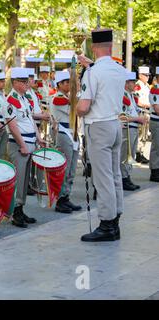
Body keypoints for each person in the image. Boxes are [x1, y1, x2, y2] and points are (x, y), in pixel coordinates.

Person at [77, 29, 126, 242]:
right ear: (110, 46)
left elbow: (84, 106)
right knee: (114, 175)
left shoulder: (92, 72)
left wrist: (77, 107)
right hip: (115, 124)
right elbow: (103, 75)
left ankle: (106, 224)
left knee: (102, 177)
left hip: (98, 126)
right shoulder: (119, 69)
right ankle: (115, 221)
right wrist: (90, 66)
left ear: (94, 48)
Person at [7, 68, 46, 228]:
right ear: (15, 82)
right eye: (23, 82)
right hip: (19, 144)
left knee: (25, 180)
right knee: (18, 179)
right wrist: (23, 145)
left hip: (29, 142)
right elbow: (12, 124)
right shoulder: (11, 100)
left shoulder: (24, 99)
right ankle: (15, 212)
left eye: (27, 81)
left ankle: (21, 209)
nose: (27, 84)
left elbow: (30, 120)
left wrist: (39, 138)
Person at [50, 71, 82, 213]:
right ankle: (59, 200)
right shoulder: (58, 98)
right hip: (64, 134)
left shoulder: (68, 97)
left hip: (73, 134)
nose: (69, 85)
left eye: (70, 82)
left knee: (72, 170)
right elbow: (76, 109)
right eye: (67, 82)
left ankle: (65, 197)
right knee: (64, 169)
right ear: (59, 84)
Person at [134, 65, 151, 164]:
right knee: (140, 134)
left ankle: (141, 152)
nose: (147, 77)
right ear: (140, 75)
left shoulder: (146, 86)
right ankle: (138, 153)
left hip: (147, 112)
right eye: (145, 75)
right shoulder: (138, 85)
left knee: (145, 135)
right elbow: (137, 101)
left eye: (148, 75)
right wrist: (147, 105)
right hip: (141, 111)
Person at [149, 67, 159, 182]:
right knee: (157, 147)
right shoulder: (155, 89)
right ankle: (155, 171)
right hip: (156, 121)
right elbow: (157, 109)